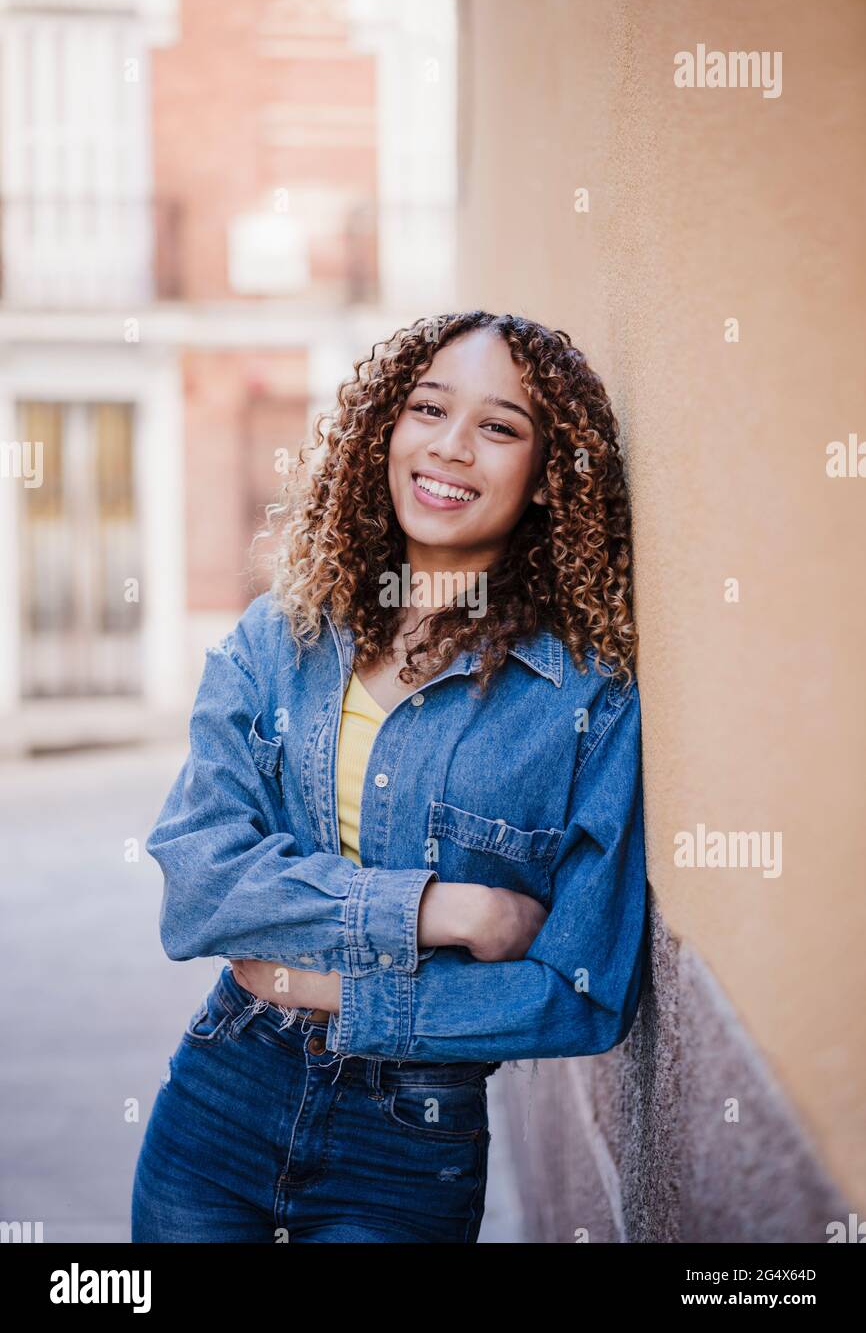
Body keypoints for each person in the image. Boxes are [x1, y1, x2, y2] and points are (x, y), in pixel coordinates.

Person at [130, 310, 649, 1244]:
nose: (451, 448)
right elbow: (199, 883)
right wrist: (445, 911)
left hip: (411, 1146)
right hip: (222, 1096)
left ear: (543, 478)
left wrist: (327, 986)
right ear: (386, 430)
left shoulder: (583, 701)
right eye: (428, 408)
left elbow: (582, 992)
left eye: (500, 427)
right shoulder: (277, 641)